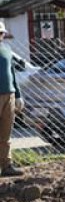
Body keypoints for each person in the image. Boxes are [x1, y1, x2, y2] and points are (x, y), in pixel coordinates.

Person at [0, 22, 24, 177]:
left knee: (6, 133)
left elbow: (13, 75)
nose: (1, 36)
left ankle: (6, 165)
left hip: (9, 95)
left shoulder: (7, 50)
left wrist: (19, 96)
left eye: (1, 33)